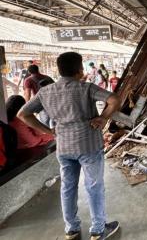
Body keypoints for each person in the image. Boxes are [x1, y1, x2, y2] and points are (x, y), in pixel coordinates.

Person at [17, 52, 121, 240]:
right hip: (89, 145)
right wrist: (103, 118)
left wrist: (48, 131)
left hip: (64, 146)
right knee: (94, 186)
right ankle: (98, 231)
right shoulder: (86, 88)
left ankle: (72, 229)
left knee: (68, 187)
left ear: (59, 70)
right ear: (79, 69)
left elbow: (23, 114)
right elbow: (114, 99)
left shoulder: (46, 92)